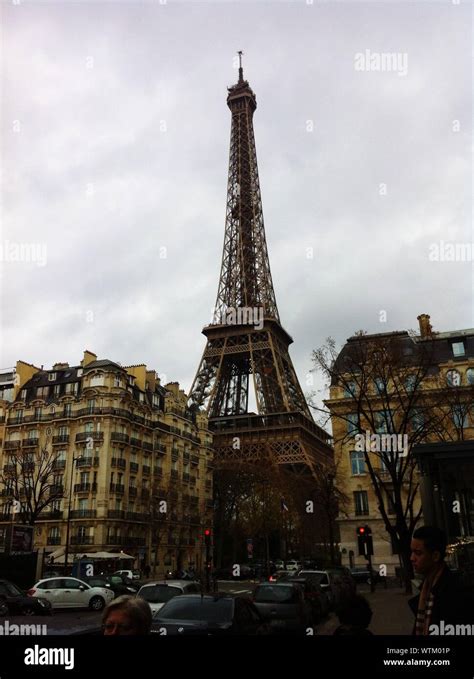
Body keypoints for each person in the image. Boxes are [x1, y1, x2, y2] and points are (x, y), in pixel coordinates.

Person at [409, 525, 473, 635]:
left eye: (418, 553)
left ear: (435, 556)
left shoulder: (456, 594)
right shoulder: (427, 589)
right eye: (412, 552)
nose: (411, 558)